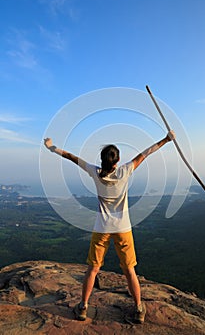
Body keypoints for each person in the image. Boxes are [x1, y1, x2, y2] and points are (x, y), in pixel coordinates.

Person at [44, 130, 175, 324]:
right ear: (118, 160)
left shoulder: (95, 173)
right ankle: (139, 309)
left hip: (101, 228)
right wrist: (167, 139)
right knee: (130, 270)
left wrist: (51, 147)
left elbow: (72, 157)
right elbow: (146, 153)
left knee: (93, 269)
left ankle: (83, 307)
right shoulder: (125, 171)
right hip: (123, 229)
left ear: (102, 160)